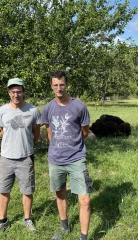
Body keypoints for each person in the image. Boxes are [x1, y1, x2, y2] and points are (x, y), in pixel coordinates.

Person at [41, 71, 92, 240]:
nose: (59, 88)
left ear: (66, 85)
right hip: (56, 160)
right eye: (55, 85)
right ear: (51, 86)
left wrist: (72, 144)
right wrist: (58, 147)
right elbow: (50, 134)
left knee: (85, 200)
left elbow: (84, 132)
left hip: (77, 158)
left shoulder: (79, 107)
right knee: (60, 194)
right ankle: (64, 228)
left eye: (61, 84)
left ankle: (83, 237)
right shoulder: (48, 108)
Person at [0, 78, 42, 235]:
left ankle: (27, 219)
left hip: (25, 157)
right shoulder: (2, 111)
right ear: (9, 93)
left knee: (27, 190)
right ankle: (3, 221)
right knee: (3, 190)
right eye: (13, 92)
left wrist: (26, 146)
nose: (16, 94)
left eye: (19, 91)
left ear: (23, 92)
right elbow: (3, 132)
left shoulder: (33, 110)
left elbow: (36, 133)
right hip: (6, 158)